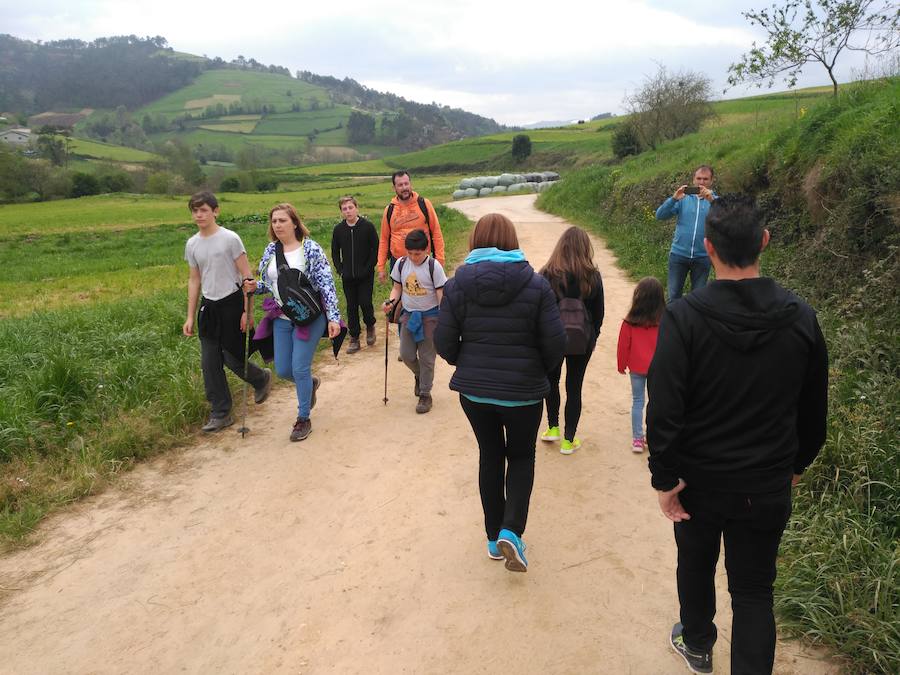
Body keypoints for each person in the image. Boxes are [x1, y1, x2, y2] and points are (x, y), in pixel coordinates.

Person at [646, 194, 828, 675]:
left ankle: (699, 643)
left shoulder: (684, 317)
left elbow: (664, 409)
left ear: (708, 248)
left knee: (696, 565)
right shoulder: (801, 317)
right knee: (753, 591)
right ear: (764, 241)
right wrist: (795, 466)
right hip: (765, 483)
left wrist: (664, 479)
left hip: (697, 482)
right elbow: (813, 413)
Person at [435, 214, 566, 573]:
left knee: (490, 456)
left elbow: (444, 342)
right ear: (512, 239)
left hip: (474, 394)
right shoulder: (537, 285)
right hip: (523, 393)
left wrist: (470, 362)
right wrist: (536, 369)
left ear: (475, 240)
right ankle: (512, 529)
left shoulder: (457, 285)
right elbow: (556, 345)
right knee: (521, 458)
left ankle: (494, 538)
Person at [248, 203, 341, 442]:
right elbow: (269, 285)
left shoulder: (309, 249)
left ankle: (303, 418)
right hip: (281, 317)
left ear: (295, 223)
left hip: (310, 317)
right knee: (283, 369)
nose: (277, 225)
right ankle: (309, 384)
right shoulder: (271, 250)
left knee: (299, 367)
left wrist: (333, 318)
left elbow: (326, 285)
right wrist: (253, 287)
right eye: (274, 221)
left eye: (282, 220)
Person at [182, 191, 272, 432]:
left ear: (215, 211)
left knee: (233, 357)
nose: (199, 214)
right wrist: (190, 316)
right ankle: (221, 412)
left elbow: (246, 276)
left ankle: (260, 378)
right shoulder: (192, 244)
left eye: (203, 210)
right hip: (209, 306)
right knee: (209, 362)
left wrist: (247, 311)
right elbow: (194, 280)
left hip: (232, 302)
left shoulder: (230, 239)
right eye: (195, 210)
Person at [538, 226, 604, 455]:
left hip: (553, 339)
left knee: (551, 382)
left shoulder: (547, 273)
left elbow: (540, 311)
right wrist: (592, 337)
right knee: (574, 387)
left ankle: (553, 427)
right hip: (582, 341)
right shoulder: (592, 275)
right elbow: (599, 314)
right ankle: (569, 441)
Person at [382, 229, 447, 414]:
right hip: (409, 315)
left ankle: (425, 394)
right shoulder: (402, 264)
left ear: (426, 249)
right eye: (409, 253)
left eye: (417, 253)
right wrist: (390, 302)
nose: (413, 257)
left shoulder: (434, 267)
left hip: (431, 316)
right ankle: (419, 376)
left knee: (427, 357)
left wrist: (444, 317)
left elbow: (441, 293)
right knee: (407, 354)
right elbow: (397, 289)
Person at [616, 277, 664, 453]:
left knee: (638, 402)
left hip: (636, 367)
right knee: (655, 403)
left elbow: (623, 345)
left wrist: (621, 365)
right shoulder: (664, 320)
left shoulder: (630, 321)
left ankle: (637, 439)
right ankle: (652, 437)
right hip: (657, 368)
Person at [655, 165, 717, 301]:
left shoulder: (716, 201)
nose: (701, 182)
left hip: (703, 257)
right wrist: (673, 199)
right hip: (679, 254)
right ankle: (673, 322)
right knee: (673, 297)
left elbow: (726, 219)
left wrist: (712, 200)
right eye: (698, 178)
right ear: (693, 180)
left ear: (711, 181)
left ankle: (692, 323)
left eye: (705, 179)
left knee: (698, 299)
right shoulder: (683, 198)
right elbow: (660, 215)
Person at [377, 171, 445, 283]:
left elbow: (436, 233)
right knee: (399, 296)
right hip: (398, 262)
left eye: (406, 183)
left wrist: (440, 260)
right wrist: (381, 267)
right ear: (394, 187)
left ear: (410, 184)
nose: (404, 188)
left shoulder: (424, 204)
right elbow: (384, 239)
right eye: (400, 185)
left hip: (423, 260)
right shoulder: (389, 210)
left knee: (424, 295)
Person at [331, 195, 378, 354]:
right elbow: (335, 252)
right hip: (348, 276)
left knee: (365, 302)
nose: (348, 211)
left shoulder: (367, 227)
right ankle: (354, 337)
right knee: (351, 306)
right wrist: (340, 269)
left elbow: (375, 249)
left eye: (350, 207)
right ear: (341, 212)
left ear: (356, 208)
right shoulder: (338, 230)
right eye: (344, 209)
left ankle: (370, 325)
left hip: (365, 275)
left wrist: (368, 268)